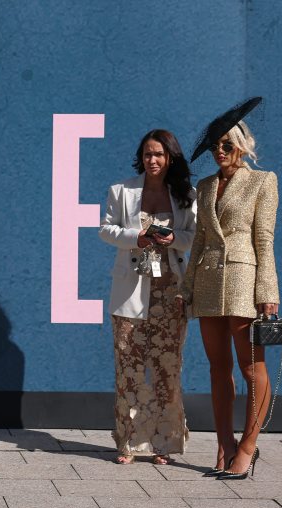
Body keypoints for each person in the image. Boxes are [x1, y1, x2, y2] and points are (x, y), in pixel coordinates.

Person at [178, 97, 279, 480]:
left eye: (226, 144)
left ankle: (248, 447)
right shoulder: (204, 186)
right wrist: (186, 289)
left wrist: (267, 291)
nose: (220, 151)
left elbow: (264, 239)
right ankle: (224, 444)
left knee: (252, 367)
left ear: (240, 144)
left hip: (243, 281)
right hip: (207, 281)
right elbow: (200, 241)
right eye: (215, 146)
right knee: (218, 367)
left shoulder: (262, 181)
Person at [99, 129, 196, 465]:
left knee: (167, 368)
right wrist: (136, 237)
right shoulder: (121, 190)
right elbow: (106, 229)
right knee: (129, 366)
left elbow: (194, 237)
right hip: (130, 289)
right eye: (147, 154)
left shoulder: (185, 195)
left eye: (158, 154)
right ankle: (129, 443)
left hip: (171, 291)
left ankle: (164, 444)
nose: (152, 160)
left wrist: (173, 239)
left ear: (170, 158)